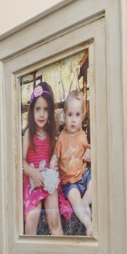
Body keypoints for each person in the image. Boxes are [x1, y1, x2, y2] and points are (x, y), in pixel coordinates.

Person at [20, 83, 62, 236]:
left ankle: (61, 245)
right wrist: (32, 172)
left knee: (54, 219)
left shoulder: (51, 135)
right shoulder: (28, 134)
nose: (42, 114)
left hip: (48, 182)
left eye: (45, 109)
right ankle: (29, 249)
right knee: (32, 218)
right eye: (38, 109)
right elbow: (21, 161)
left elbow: (56, 155)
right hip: (33, 183)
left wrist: (54, 162)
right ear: (32, 111)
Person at [55, 90, 93, 237]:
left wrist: (90, 153)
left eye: (77, 115)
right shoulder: (61, 138)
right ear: (64, 117)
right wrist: (52, 162)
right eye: (70, 115)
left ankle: (86, 201)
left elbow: (89, 149)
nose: (73, 119)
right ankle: (88, 224)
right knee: (74, 198)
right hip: (69, 182)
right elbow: (55, 156)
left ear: (82, 118)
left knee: (95, 182)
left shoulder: (82, 135)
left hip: (83, 175)